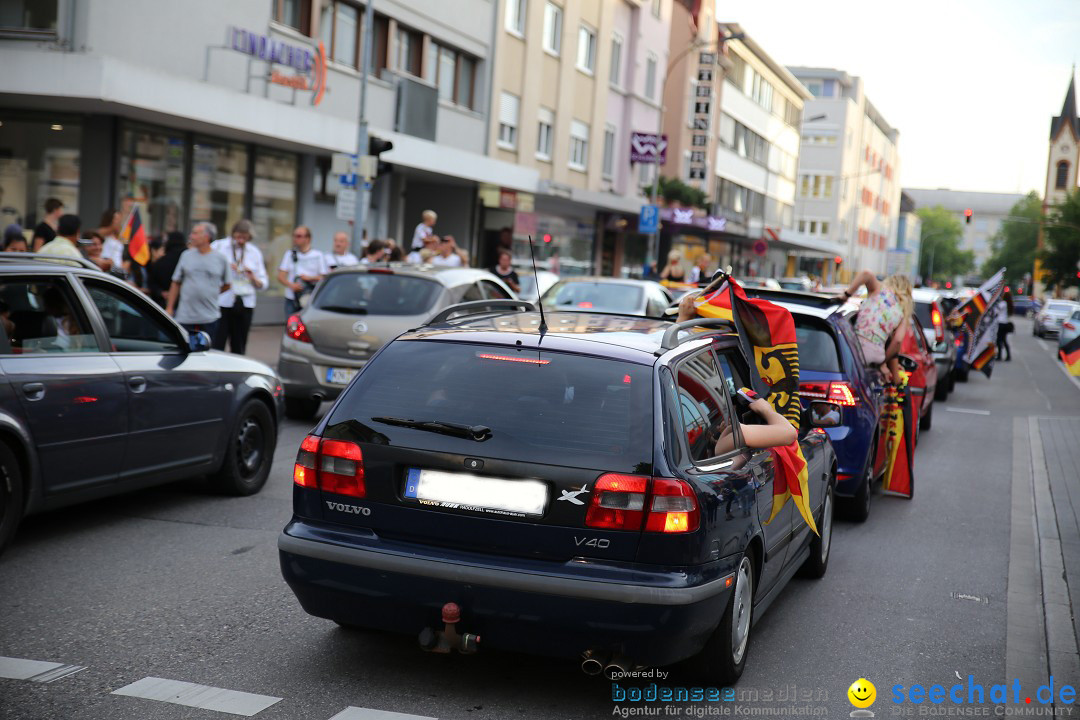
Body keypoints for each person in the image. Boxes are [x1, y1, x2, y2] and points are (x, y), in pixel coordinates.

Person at [841, 270, 913, 383]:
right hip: (876, 354)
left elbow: (865, 274)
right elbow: (898, 341)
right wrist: (883, 362)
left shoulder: (879, 290)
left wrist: (846, 295)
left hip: (855, 348)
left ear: (890, 282)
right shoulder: (903, 310)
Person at [211, 219, 267, 355]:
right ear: (233, 234)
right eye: (238, 237)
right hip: (222, 301)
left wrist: (252, 277)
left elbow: (263, 283)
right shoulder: (219, 246)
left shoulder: (254, 252)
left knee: (239, 344)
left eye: (245, 238)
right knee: (217, 342)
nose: (241, 241)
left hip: (244, 303)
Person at [166, 222, 231, 338]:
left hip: (209, 317)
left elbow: (227, 284)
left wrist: (211, 293)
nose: (191, 236)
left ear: (207, 237)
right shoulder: (186, 255)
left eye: (195, 233)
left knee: (207, 352)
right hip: (185, 317)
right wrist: (169, 308)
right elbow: (176, 283)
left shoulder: (221, 259)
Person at [712, 395, 798, 455]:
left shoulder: (721, 445)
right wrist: (766, 410)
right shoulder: (734, 434)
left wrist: (721, 435)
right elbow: (790, 433)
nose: (728, 419)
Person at [276, 226, 328, 316]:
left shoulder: (318, 255)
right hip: (291, 298)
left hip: (309, 298)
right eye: (294, 236)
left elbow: (325, 277)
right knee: (291, 326)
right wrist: (292, 285)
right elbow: (281, 276)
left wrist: (310, 278)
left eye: (299, 236)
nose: (295, 239)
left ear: (308, 238)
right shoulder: (290, 254)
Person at [147, 231, 186, 307]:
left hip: (162, 306)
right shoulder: (188, 258)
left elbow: (152, 284)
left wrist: (161, 292)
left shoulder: (160, 262)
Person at [996, 289, 1015, 361]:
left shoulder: (1003, 303)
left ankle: (999, 356)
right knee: (1004, 340)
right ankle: (1008, 356)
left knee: (998, 340)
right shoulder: (1009, 304)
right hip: (1006, 324)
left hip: (1001, 324)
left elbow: (997, 308)